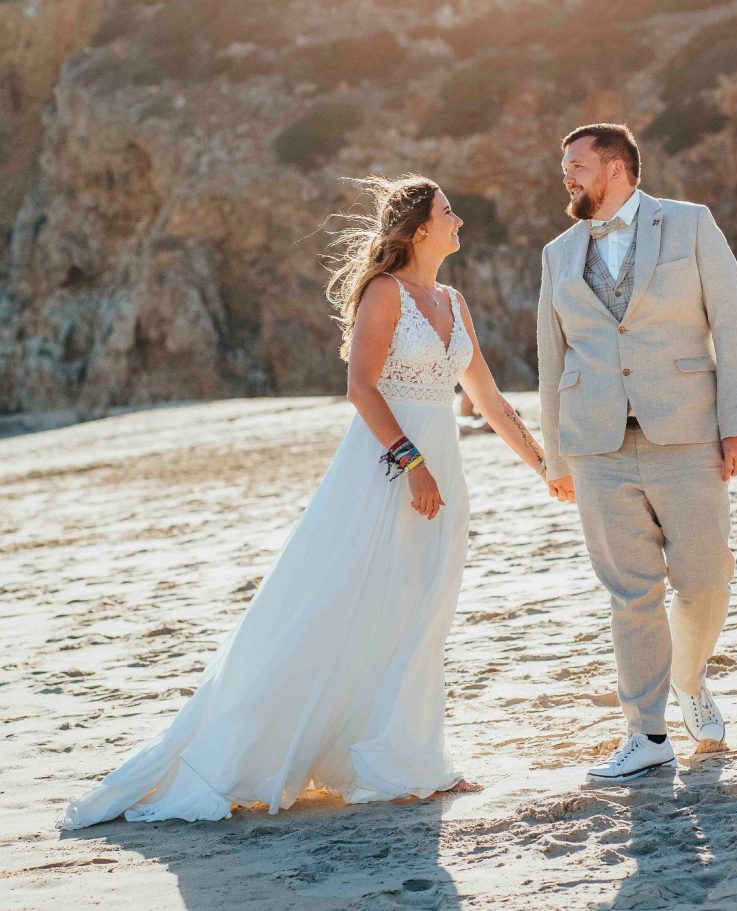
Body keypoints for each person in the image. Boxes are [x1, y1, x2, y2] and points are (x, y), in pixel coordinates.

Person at [60, 173, 549, 829]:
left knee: (423, 606)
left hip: (445, 476)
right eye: (448, 211)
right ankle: (333, 753)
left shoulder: (454, 303)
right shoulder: (384, 294)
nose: (459, 219)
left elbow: (487, 400)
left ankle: (411, 756)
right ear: (420, 228)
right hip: (386, 471)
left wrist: (545, 465)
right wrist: (412, 462)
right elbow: (360, 387)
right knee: (348, 601)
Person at [536, 123, 737, 782]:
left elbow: (734, 323)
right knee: (629, 593)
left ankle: (689, 679)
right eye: (564, 167)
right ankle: (647, 731)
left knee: (705, 577)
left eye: (576, 164)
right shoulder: (556, 253)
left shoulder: (690, 225)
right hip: (596, 445)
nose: (567, 177)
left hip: (687, 432)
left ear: (615, 166)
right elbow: (552, 360)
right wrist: (555, 456)